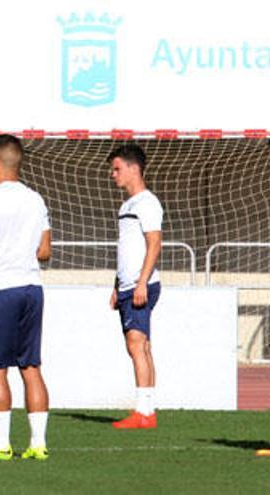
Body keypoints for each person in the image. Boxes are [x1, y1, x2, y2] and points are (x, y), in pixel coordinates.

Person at [0, 134, 51, 462]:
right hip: (32, 286)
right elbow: (45, 251)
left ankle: (1, 445)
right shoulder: (36, 199)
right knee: (31, 366)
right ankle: (38, 444)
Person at [108, 144, 163, 430]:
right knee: (142, 346)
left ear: (133, 168)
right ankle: (147, 409)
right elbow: (126, 248)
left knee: (136, 344)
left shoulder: (147, 202)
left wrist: (141, 281)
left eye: (117, 168)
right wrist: (118, 285)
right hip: (128, 285)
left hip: (140, 285)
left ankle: (143, 412)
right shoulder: (127, 205)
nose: (112, 174)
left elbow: (154, 243)